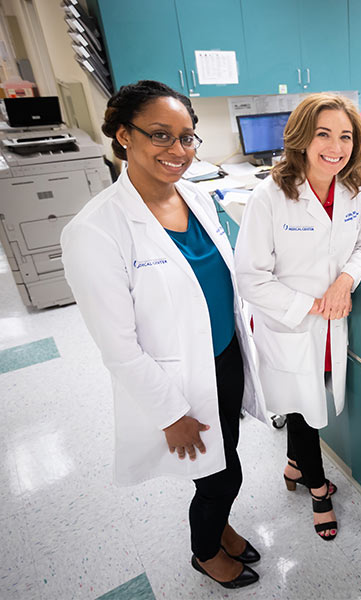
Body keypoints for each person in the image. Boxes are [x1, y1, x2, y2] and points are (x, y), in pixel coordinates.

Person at [61, 80, 267, 589]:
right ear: (123, 136)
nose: (179, 151)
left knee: (227, 457)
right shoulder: (96, 231)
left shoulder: (195, 197)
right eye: (160, 135)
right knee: (221, 475)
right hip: (177, 385)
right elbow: (117, 347)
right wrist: (170, 414)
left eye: (188, 137)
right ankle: (205, 552)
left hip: (224, 357)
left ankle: (219, 526)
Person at [234, 93, 361, 542]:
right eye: (324, 134)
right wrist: (313, 305)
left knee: (311, 402)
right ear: (302, 137)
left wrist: (344, 283)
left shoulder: (352, 188)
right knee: (305, 411)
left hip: (333, 324)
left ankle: (294, 465)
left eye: (345, 136)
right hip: (291, 325)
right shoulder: (270, 196)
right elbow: (250, 278)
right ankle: (318, 490)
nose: (335, 146)